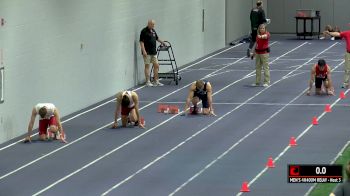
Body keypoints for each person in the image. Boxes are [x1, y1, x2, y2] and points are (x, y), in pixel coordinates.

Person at [139, 19, 166, 87]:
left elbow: (156, 38)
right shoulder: (144, 31)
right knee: (147, 66)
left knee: (156, 65)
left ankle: (156, 80)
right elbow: (141, 42)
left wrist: (162, 42)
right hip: (147, 52)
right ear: (149, 24)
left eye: (154, 24)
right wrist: (144, 51)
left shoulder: (153, 30)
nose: (154, 26)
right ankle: (148, 81)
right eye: (152, 24)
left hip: (154, 52)